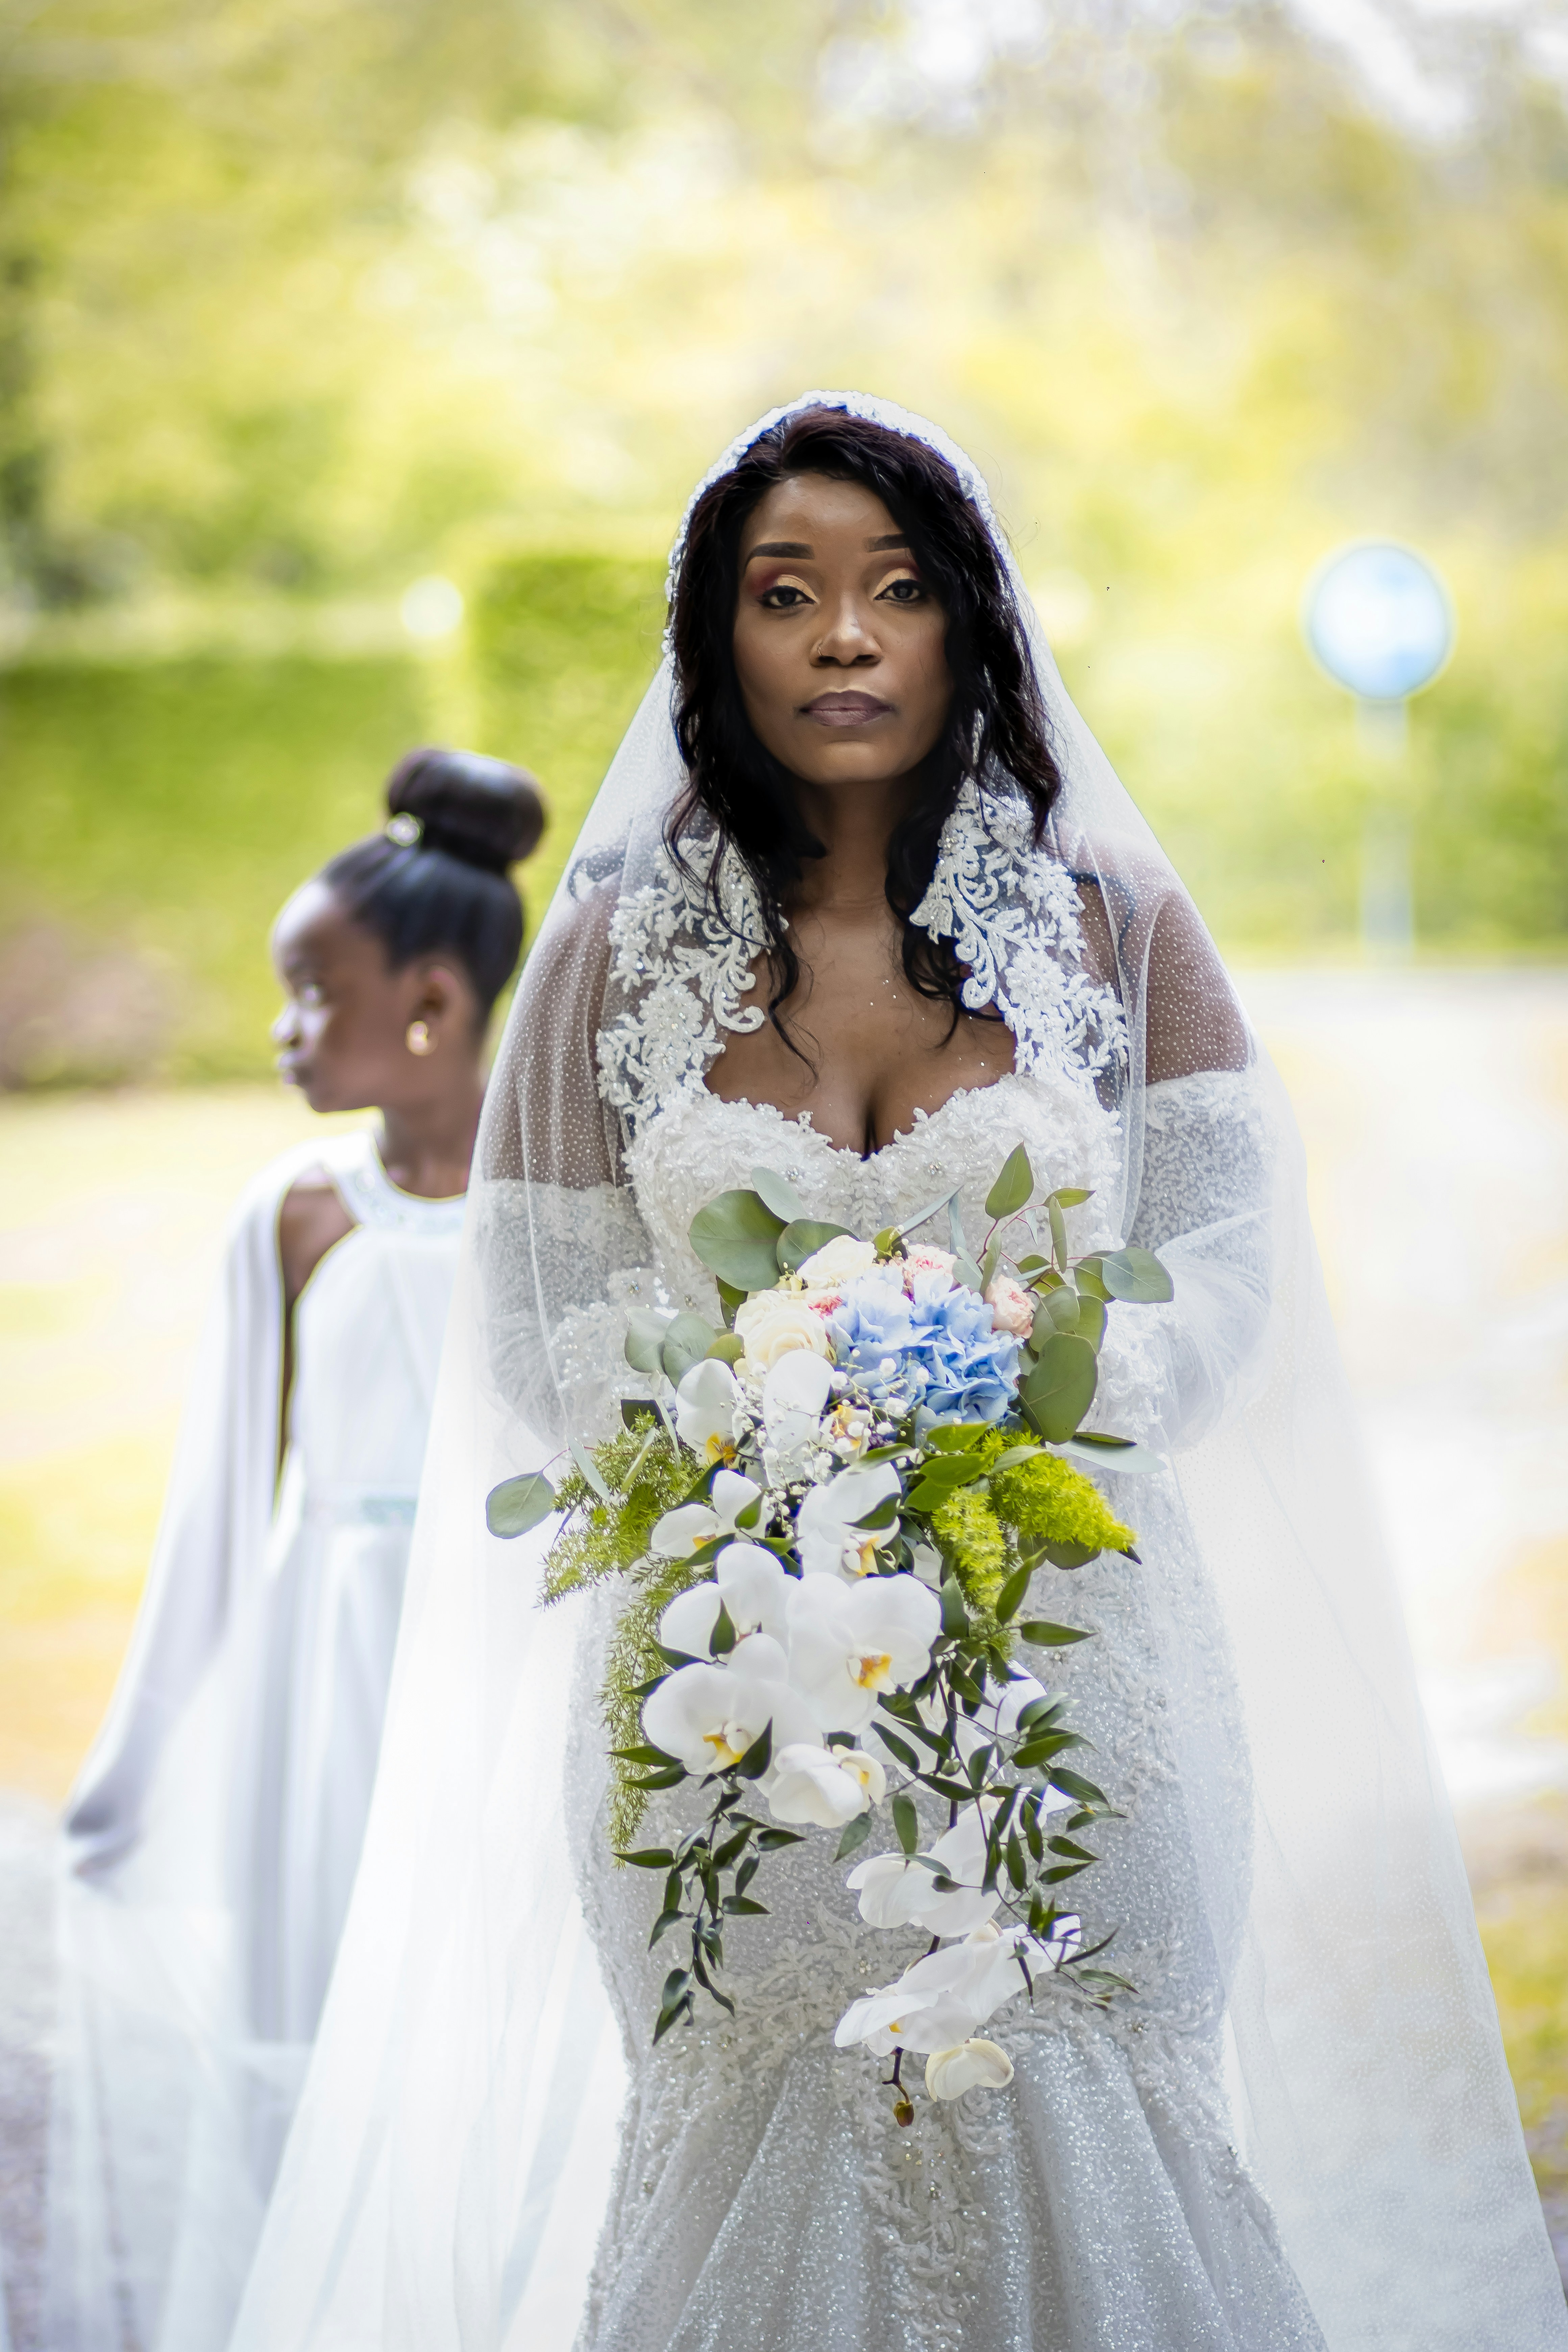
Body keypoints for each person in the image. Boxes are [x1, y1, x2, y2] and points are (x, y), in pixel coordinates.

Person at [232, 398, 1568, 2352]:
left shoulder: (1112, 926)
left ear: (965, 625)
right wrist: (762, 1416)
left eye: (896, 589)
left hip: (1079, 1657)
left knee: (1087, 2095)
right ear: (720, 639)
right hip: (724, 1677)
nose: (845, 638)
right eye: (788, 596)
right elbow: (532, 1313)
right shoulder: (606, 956)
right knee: (758, 2111)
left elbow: (1218, 1262)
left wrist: (1031, 1390)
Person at [47, 748, 544, 2352]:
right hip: (317, 1681)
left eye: (308, 992)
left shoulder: (553, 1217)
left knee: (483, 2030)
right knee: (311, 2020)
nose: (281, 1031)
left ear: (431, 998)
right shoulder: (294, 1219)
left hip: (494, 1675)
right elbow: (217, 1511)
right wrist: (132, 1769)